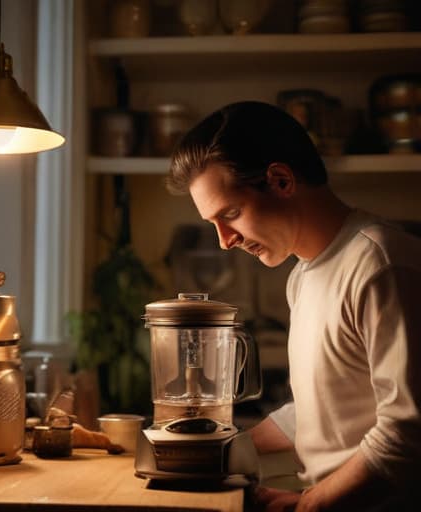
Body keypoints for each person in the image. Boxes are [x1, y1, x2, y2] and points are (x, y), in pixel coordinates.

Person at [166, 101, 421, 511]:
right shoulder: (302, 275)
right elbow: (325, 407)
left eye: (230, 214)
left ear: (281, 180)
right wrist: (220, 450)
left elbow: (407, 433)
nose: (224, 240)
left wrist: (308, 505)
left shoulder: (381, 264)